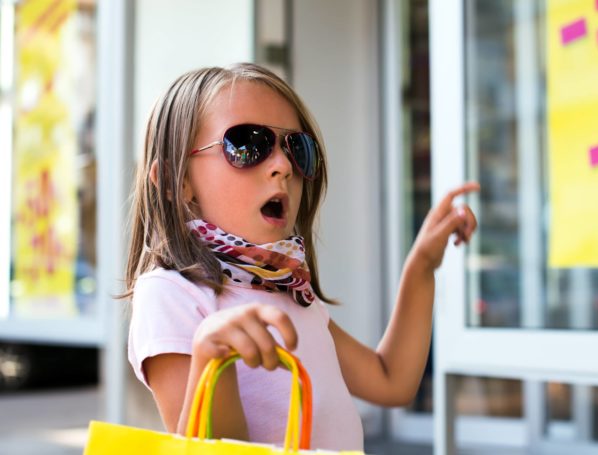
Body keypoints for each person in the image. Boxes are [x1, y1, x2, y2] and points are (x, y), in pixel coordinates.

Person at [123, 63, 479, 451]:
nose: (282, 166)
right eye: (247, 145)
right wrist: (212, 355)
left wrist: (422, 266)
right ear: (178, 181)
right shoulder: (171, 293)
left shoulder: (289, 290)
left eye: (297, 149)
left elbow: (391, 379)